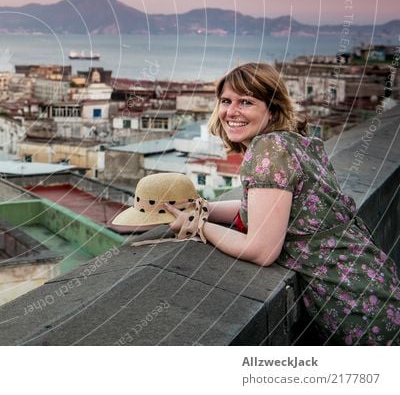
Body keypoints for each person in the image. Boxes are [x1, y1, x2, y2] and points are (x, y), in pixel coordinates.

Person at [165, 62, 400, 345]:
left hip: (358, 309)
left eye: (246, 102)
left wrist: (196, 225)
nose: (231, 111)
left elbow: (262, 250)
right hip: (373, 285)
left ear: (272, 109)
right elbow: (260, 207)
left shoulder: (269, 149)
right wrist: (201, 208)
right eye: (226, 101)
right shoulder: (299, 143)